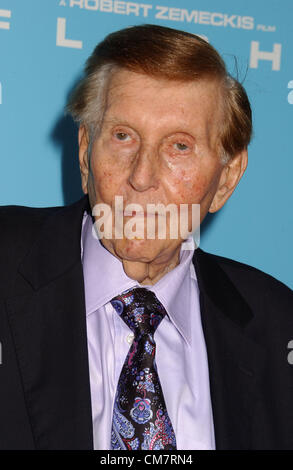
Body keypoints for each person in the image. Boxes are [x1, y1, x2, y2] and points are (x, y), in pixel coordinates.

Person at [0, 24, 292, 451]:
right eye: (123, 136)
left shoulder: (278, 327)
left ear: (226, 178)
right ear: (85, 152)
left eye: (179, 146)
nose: (142, 177)